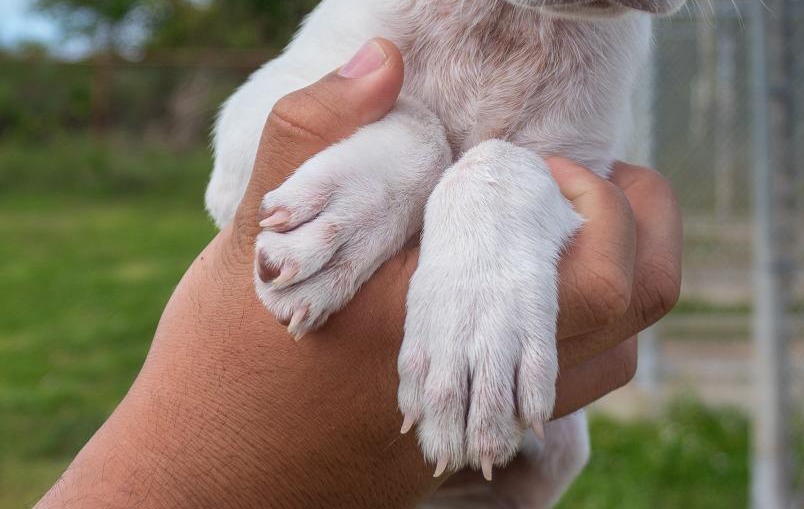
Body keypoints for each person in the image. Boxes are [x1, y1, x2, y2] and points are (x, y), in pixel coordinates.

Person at [37, 39, 682, 508]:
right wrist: (405, 146)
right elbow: (234, 182)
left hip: (512, 472)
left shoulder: (607, 41)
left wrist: (497, 189)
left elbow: (569, 195)